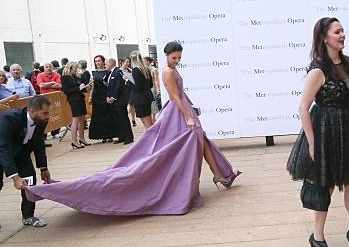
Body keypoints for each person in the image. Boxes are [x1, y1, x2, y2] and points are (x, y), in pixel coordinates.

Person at [25, 41, 241, 215]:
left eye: (179, 58)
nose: (177, 61)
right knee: (175, 150)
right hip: (179, 114)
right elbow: (174, 97)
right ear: (166, 56)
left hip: (184, 111)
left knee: (200, 141)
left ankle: (218, 174)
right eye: (174, 57)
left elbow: (181, 94)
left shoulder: (172, 70)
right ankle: (212, 176)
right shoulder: (167, 71)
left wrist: (191, 107)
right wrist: (188, 116)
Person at [287, 17, 349, 247]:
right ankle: (318, 238)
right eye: (337, 31)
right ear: (324, 37)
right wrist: (311, 143)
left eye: (343, 31)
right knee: (325, 184)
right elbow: (302, 108)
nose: (342, 35)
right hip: (324, 130)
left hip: (348, 127)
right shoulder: (317, 69)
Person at [0, 96, 53, 228]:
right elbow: (3, 148)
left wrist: (43, 167)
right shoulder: (9, 119)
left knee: (30, 180)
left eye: (49, 112)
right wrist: (14, 176)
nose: (48, 116)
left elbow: (39, 143)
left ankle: (28, 216)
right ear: (32, 111)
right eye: (45, 113)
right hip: (2, 149)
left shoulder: (41, 120)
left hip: (21, 151)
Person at [61, 61, 90, 149]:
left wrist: (85, 88)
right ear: (70, 68)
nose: (76, 70)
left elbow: (80, 87)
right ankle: (74, 141)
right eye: (75, 68)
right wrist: (78, 88)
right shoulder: (65, 78)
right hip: (73, 100)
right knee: (76, 119)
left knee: (82, 119)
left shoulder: (75, 77)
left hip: (80, 98)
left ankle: (82, 138)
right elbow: (66, 90)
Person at [105, 58, 134, 144]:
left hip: (119, 100)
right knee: (117, 119)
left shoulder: (118, 72)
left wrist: (113, 97)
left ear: (111, 64)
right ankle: (121, 136)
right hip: (112, 101)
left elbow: (119, 86)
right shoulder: (111, 73)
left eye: (106, 63)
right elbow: (109, 87)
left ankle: (129, 137)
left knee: (123, 118)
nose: (105, 65)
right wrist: (107, 96)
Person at [88, 55, 115, 142]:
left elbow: (110, 85)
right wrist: (90, 96)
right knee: (99, 117)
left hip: (105, 96)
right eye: (96, 61)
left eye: (99, 61)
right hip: (97, 97)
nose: (97, 63)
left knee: (108, 115)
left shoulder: (108, 72)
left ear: (103, 62)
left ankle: (110, 135)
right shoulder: (93, 73)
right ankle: (102, 135)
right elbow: (93, 86)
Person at [37, 62, 63, 139]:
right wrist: (52, 82)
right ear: (44, 68)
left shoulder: (57, 75)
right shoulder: (40, 75)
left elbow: (59, 85)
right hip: (44, 100)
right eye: (46, 67)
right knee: (44, 116)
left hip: (55, 99)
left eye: (50, 67)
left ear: (53, 68)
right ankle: (44, 134)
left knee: (55, 114)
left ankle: (55, 132)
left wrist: (46, 85)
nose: (48, 68)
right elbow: (41, 85)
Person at [129, 51, 154, 129]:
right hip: (147, 97)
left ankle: (152, 140)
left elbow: (138, 87)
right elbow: (150, 85)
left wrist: (129, 81)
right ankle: (152, 139)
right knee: (149, 121)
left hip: (140, 99)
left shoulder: (135, 70)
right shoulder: (146, 68)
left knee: (146, 123)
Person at [120, 57, 138, 127]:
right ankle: (125, 119)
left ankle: (133, 119)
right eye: (126, 62)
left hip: (130, 88)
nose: (128, 63)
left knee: (131, 104)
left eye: (128, 62)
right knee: (124, 105)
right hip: (123, 89)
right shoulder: (119, 71)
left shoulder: (130, 70)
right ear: (122, 62)